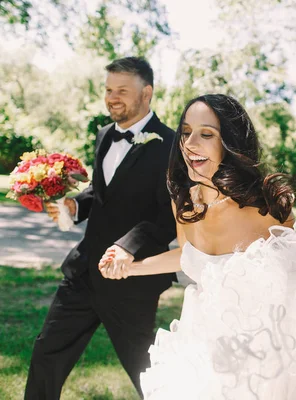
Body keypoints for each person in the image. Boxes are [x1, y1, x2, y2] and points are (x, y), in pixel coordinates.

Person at [99, 94, 296, 399]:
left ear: (230, 142)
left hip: (266, 353)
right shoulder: (186, 204)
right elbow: (187, 256)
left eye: (206, 134)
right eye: (186, 132)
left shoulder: (265, 205)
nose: (189, 144)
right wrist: (131, 268)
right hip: (202, 344)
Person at [25, 57, 177, 399]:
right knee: (47, 353)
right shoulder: (105, 135)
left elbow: (167, 216)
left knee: (145, 371)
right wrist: (75, 205)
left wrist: (128, 246)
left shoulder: (171, 147)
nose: (112, 97)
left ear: (147, 93)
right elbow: (103, 191)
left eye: (122, 90)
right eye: (108, 90)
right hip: (83, 271)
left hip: (131, 280)